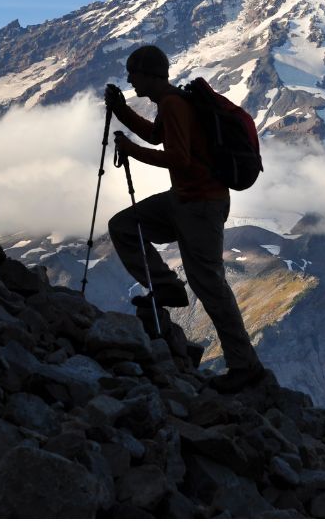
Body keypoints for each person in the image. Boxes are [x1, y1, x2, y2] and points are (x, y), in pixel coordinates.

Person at [105, 45, 265, 393]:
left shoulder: (175, 104)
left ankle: (245, 365)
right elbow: (155, 135)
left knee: (209, 284)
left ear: (148, 74)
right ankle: (167, 287)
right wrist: (121, 111)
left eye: (133, 73)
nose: (130, 79)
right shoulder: (172, 101)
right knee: (123, 225)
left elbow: (178, 159)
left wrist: (132, 150)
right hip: (190, 201)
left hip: (199, 205)